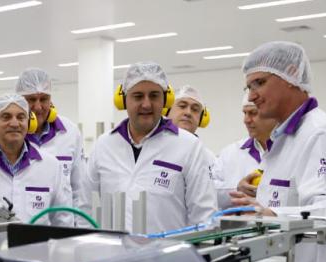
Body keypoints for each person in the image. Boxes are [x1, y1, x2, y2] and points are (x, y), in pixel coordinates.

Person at [230, 41, 326, 262]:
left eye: (260, 83)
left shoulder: (320, 133)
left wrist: (271, 216)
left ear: (291, 75)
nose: (251, 95)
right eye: (249, 86)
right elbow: (293, 198)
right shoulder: (283, 138)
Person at [85, 62, 215, 234]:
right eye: (138, 96)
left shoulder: (189, 146)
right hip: (113, 256)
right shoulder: (103, 145)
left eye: (154, 96)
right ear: (123, 100)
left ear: (165, 100)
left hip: (166, 258)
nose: (146, 104)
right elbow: (85, 209)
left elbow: (203, 216)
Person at [0, 93, 72, 226]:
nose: (14, 124)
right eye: (6, 117)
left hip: (35, 246)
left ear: (30, 123)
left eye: (21, 117)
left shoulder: (51, 166)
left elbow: (63, 220)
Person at [15, 68, 88, 220]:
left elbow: (79, 189)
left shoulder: (70, 132)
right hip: (22, 223)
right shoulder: (9, 135)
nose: (38, 107)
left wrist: (80, 229)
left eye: (44, 99)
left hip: (62, 224)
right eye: (31, 100)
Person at [213, 93, 276, 190]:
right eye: (245, 113)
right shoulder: (229, 153)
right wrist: (236, 188)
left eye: (253, 113)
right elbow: (208, 187)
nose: (246, 120)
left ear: (272, 115)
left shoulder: (290, 149)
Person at [167, 84, 216, 172]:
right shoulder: (151, 147)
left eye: (195, 109)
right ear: (167, 111)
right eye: (182, 106)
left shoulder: (210, 160)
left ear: (201, 120)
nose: (188, 112)